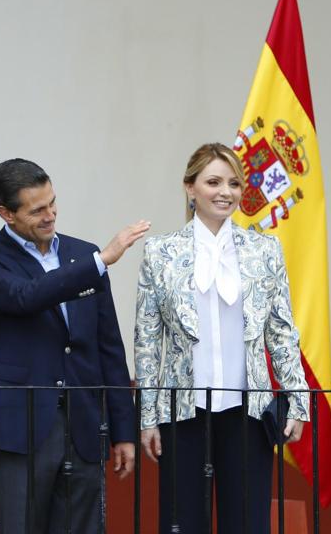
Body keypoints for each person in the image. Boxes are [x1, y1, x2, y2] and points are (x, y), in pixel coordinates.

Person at [0, 158, 149, 533]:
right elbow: (24, 297)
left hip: (83, 425)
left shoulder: (82, 253)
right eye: (37, 210)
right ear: (6, 213)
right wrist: (102, 261)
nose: (50, 215)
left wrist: (123, 431)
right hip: (19, 426)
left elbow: (108, 346)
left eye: (52, 203)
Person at [134, 142, 309, 534]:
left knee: (247, 522)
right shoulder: (160, 251)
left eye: (233, 183)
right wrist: (147, 418)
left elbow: (281, 330)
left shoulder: (265, 249)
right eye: (213, 181)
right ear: (190, 187)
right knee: (182, 523)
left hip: (248, 409)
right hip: (182, 410)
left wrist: (298, 400)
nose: (224, 192)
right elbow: (147, 341)